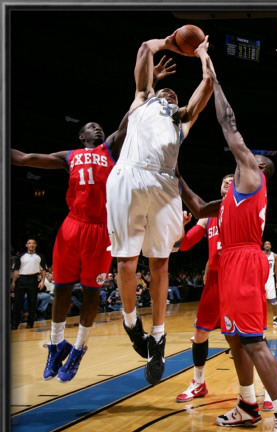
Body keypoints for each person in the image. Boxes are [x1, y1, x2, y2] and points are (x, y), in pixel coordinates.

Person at [10, 52, 175, 383]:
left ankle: (79, 350)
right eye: (90, 126)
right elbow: (27, 157)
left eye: (99, 125)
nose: (96, 126)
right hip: (72, 226)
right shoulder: (69, 156)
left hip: (103, 229)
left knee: (91, 293)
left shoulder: (110, 149)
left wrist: (151, 81)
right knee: (61, 289)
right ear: (81, 135)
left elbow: (130, 118)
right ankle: (56, 345)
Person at [177, 55, 277, 432]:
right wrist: (176, 173)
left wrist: (212, 80)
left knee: (252, 338)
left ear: (259, 168)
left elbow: (229, 126)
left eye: (252, 158)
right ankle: (248, 404)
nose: (243, 158)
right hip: (229, 263)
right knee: (233, 335)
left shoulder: (251, 173)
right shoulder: (231, 195)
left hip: (245, 259)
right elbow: (200, 208)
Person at [106, 29, 213, 385]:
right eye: (164, 89)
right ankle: (130, 319)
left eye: (174, 93)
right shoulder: (141, 99)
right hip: (129, 175)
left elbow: (208, 84)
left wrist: (202, 55)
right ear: (154, 90)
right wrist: (170, 41)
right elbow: (143, 47)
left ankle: (159, 335)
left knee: (161, 262)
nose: (169, 93)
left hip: (165, 181)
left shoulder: (181, 120)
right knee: (125, 263)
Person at [176, 174, 233, 402]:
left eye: (232, 180)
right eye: (224, 181)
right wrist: (180, 228)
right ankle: (198, 383)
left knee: (249, 337)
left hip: (237, 277)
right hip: (215, 281)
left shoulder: (242, 207)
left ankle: (263, 389)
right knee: (200, 333)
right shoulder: (207, 216)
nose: (227, 182)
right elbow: (185, 244)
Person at [11, 239, 47, 329]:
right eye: (30, 243)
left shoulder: (39, 256)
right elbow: (16, 270)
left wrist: (42, 281)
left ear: (36, 245)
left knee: (32, 302)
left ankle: (30, 323)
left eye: (33, 243)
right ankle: (15, 323)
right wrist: (13, 282)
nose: (31, 245)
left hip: (33, 279)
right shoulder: (21, 256)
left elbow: (43, 269)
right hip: (21, 279)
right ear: (26, 245)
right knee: (17, 302)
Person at [263, 241, 277, 326]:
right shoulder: (260, 254)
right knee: (260, 300)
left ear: (271, 246)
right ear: (263, 246)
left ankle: (275, 318)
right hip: (261, 279)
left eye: (268, 244)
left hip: (270, 279)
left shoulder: (275, 256)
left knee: (273, 300)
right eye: (266, 244)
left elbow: (276, 269)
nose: (267, 245)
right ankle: (259, 319)